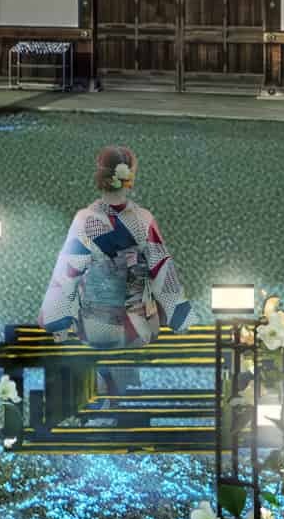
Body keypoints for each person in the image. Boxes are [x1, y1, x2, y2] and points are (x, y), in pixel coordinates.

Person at [35, 145, 192, 395]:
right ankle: (123, 399)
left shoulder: (85, 220)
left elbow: (68, 273)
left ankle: (105, 396)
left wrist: (57, 320)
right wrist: (178, 314)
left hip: (96, 326)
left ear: (101, 177)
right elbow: (161, 268)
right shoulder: (143, 219)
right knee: (128, 384)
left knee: (100, 383)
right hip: (139, 326)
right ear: (130, 178)